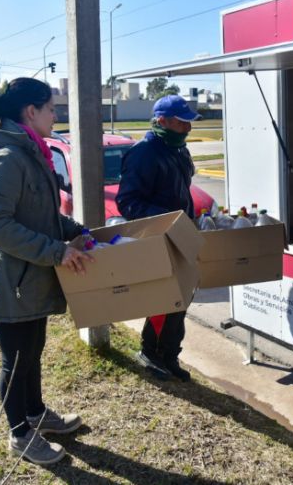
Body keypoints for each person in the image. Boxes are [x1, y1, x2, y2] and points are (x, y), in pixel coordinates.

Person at [0, 78, 93, 466]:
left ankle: (37, 413)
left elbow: (37, 211)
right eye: (52, 108)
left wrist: (74, 232)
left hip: (29, 276)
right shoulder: (8, 157)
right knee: (17, 359)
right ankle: (20, 434)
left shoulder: (30, 150)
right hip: (9, 280)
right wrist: (56, 251)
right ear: (30, 112)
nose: (56, 115)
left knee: (32, 351)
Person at [116, 94, 199, 382]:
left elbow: (182, 190)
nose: (187, 129)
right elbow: (128, 203)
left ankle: (169, 355)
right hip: (159, 237)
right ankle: (150, 352)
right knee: (164, 298)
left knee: (182, 297)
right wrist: (168, 219)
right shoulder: (144, 153)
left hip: (181, 235)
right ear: (161, 121)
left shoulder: (178, 150)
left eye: (189, 123)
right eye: (181, 123)